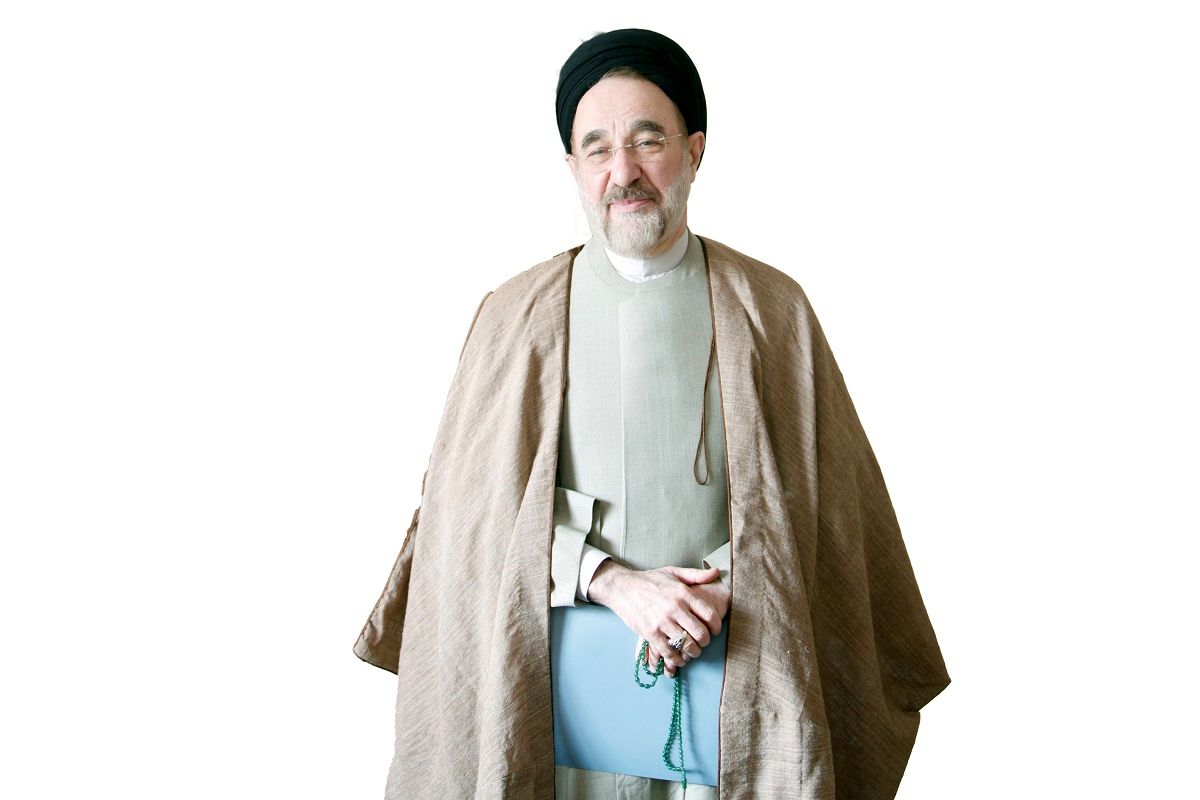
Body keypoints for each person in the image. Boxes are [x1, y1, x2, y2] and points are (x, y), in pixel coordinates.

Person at [354, 28, 949, 800]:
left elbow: (831, 514)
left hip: (733, 675)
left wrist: (722, 585)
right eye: (596, 148)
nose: (623, 172)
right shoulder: (511, 317)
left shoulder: (773, 311)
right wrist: (608, 581)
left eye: (647, 141)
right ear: (573, 168)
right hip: (557, 702)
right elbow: (467, 522)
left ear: (694, 152)